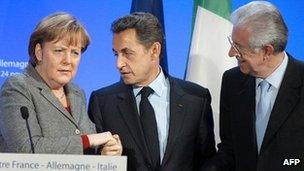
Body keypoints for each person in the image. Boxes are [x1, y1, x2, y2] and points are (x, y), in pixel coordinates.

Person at [88, 12, 215, 170]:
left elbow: (207, 160)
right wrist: (104, 159)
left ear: (154, 50)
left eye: (127, 53)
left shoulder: (196, 98)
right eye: (116, 54)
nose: (119, 63)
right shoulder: (102, 102)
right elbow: (92, 162)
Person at [0, 12, 122, 155]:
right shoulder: (18, 86)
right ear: (39, 52)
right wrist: (89, 140)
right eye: (59, 50)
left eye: (75, 53)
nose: (68, 61)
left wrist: (104, 151)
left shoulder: (77, 93)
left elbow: (83, 151)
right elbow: (26, 149)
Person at [204, 1, 304, 171]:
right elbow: (229, 151)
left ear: (267, 51)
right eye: (232, 42)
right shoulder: (232, 81)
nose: (231, 53)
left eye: (239, 47)